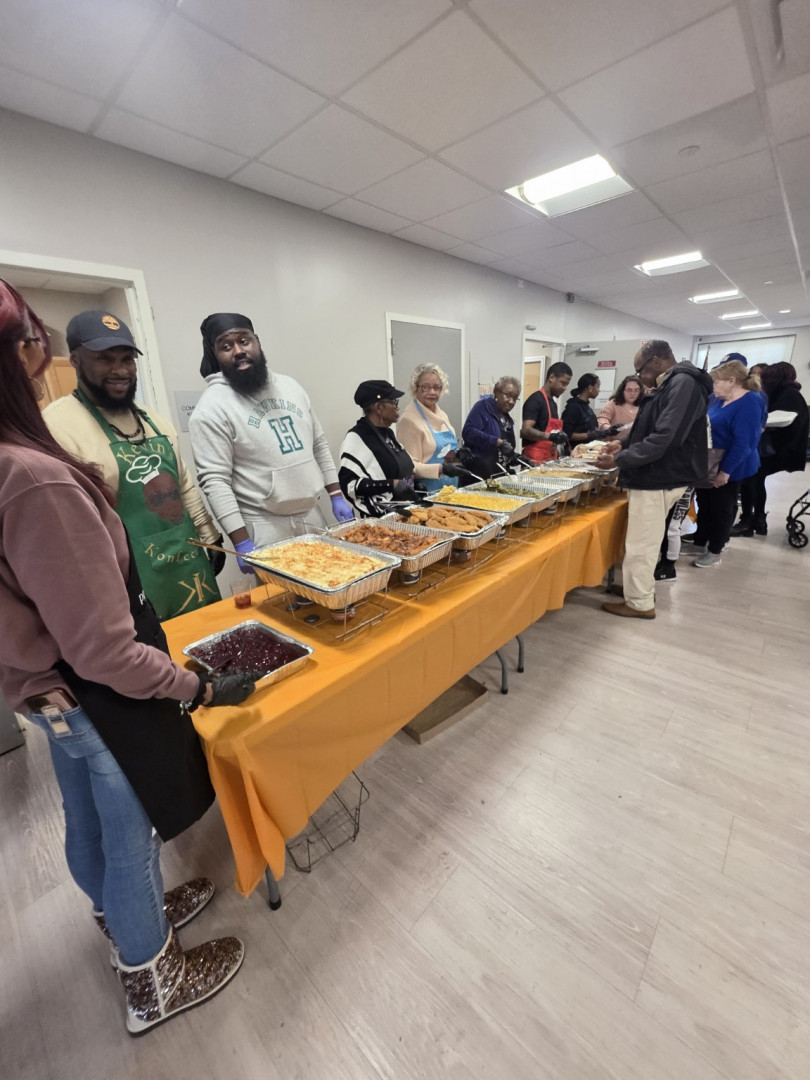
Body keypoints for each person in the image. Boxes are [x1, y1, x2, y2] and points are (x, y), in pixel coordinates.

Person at [0, 281, 255, 1034]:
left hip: (47, 686)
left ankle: (120, 918)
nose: (38, 358)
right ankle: (152, 977)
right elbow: (105, 650)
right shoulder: (37, 472)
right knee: (131, 834)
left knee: (85, 818)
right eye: (35, 344)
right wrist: (195, 687)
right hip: (93, 691)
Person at [44, 311, 222, 620]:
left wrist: (209, 534)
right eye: (105, 359)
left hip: (187, 562)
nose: (120, 370)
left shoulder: (153, 420)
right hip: (125, 575)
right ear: (75, 360)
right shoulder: (56, 427)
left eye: (127, 359)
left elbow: (182, 482)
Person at [189, 313, 353, 573]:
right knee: (283, 597)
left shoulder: (290, 387)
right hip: (265, 526)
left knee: (333, 582)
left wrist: (336, 494)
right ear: (215, 354)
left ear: (257, 341)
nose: (238, 351)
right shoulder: (212, 408)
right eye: (226, 346)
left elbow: (319, 444)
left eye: (244, 341)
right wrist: (241, 542)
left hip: (312, 515)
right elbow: (215, 481)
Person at [595, 340, 713, 618]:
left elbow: (664, 438)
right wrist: (623, 443)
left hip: (659, 476)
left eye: (641, 370)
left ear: (656, 361)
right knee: (644, 540)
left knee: (642, 544)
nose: (640, 377)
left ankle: (639, 603)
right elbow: (650, 427)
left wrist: (620, 460)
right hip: (659, 474)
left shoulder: (682, 384)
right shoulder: (673, 382)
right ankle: (637, 589)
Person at [688, 360, 763, 568]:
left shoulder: (750, 402)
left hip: (733, 464)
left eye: (716, 382)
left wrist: (725, 472)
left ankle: (715, 550)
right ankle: (699, 541)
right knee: (705, 502)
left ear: (731, 381)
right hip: (710, 461)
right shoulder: (717, 398)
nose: (714, 386)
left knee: (721, 507)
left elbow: (744, 443)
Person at [732, 361, 809, 537]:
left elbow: (787, 422)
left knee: (751, 480)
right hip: (778, 447)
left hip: (779, 449)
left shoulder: (789, 395)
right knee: (755, 481)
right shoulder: (786, 393)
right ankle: (757, 521)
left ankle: (749, 521)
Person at [339, 380, 423, 517]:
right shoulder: (357, 438)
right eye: (394, 402)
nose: (397, 407)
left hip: (403, 511)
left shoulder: (387, 433)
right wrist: (391, 484)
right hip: (378, 519)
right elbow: (350, 486)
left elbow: (400, 468)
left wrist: (414, 484)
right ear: (379, 407)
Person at [397, 363, 467, 493]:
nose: (432, 392)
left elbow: (442, 452)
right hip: (427, 493)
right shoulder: (409, 420)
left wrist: (457, 454)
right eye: (425, 387)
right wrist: (441, 469)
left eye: (437, 387)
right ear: (415, 389)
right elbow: (409, 467)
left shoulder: (442, 415)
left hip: (450, 489)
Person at [461, 376, 521, 478]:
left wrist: (516, 457)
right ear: (496, 392)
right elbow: (468, 432)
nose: (511, 401)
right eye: (508, 395)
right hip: (478, 476)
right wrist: (497, 442)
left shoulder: (507, 420)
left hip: (498, 476)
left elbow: (503, 452)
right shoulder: (483, 407)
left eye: (515, 398)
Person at [520, 361, 572, 463]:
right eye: (563, 383)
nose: (565, 388)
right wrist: (550, 436)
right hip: (534, 458)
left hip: (550, 457)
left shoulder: (553, 404)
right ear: (552, 377)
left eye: (567, 384)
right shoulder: (535, 400)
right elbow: (526, 430)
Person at [561, 374, 601, 444]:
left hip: (588, 448)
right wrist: (589, 435)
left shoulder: (586, 407)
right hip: (575, 449)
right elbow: (566, 433)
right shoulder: (573, 407)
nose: (599, 390)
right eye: (598, 386)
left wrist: (605, 432)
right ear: (590, 387)